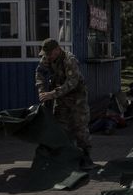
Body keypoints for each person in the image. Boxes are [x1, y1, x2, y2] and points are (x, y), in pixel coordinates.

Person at [35, 38, 95, 169]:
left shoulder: (69, 60)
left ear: (57, 49)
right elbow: (39, 72)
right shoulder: (48, 57)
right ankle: (66, 154)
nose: (48, 57)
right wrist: (42, 90)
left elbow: (72, 83)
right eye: (46, 54)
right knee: (60, 127)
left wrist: (52, 94)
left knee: (80, 127)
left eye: (50, 54)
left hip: (77, 98)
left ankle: (86, 157)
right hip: (61, 98)